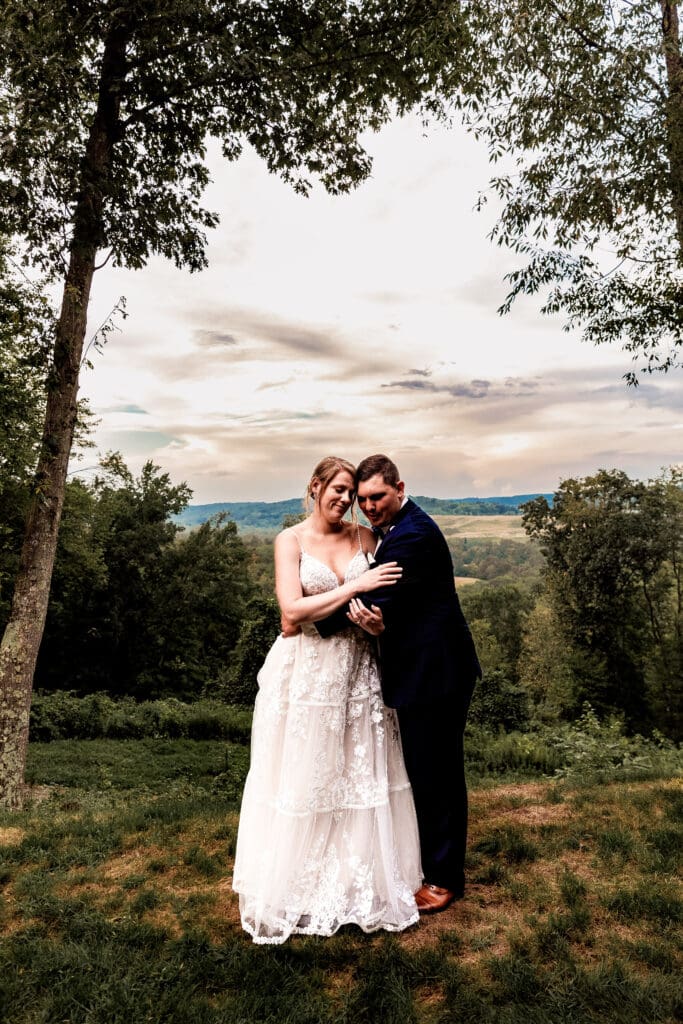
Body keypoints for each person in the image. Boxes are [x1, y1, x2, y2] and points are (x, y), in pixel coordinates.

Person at [232, 456, 422, 943]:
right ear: (315, 487)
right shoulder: (290, 541)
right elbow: (291, 611)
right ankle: (299, 883)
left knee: (358, 771)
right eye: (337, 489)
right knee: (309, 771)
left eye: (352, 494)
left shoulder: (367, 539)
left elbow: (384, 602)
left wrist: (380, 624)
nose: (345, 500)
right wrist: (356, 585)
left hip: (361, 670)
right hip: (309, 675)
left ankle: (357, 879)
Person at [317, 454, 481, 914]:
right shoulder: (395, 528)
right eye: (362, 499)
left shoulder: (411, 536)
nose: (367, 507)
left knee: (438, 775)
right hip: (422, 669)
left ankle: (445, 879)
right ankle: (434, 864)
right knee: (427, 773)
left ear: (399, 487)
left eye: (377, 497)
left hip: (436, 675)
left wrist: (303, 617)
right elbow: (393, 611)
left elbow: (367, 601)